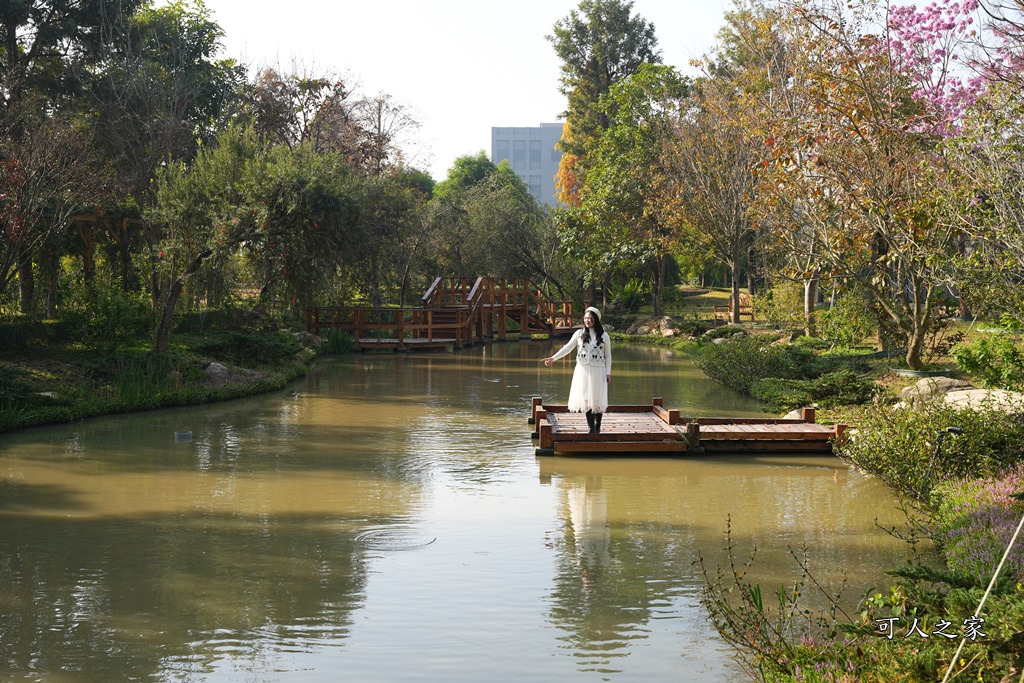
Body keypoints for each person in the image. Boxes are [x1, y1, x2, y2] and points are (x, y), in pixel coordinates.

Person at [541, 306, 612, 434]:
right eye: (585, 318)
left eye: (590, 318)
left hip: (599, 370)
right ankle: (591, 428)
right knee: (586, 398)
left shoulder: (604, 336)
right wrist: (553, 358)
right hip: (582, 370)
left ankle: (598, 425)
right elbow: (567, 348)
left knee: (597, 398)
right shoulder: (579, 334)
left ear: (596, 319)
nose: (587, 321)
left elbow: (608, 356)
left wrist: (608, 372)